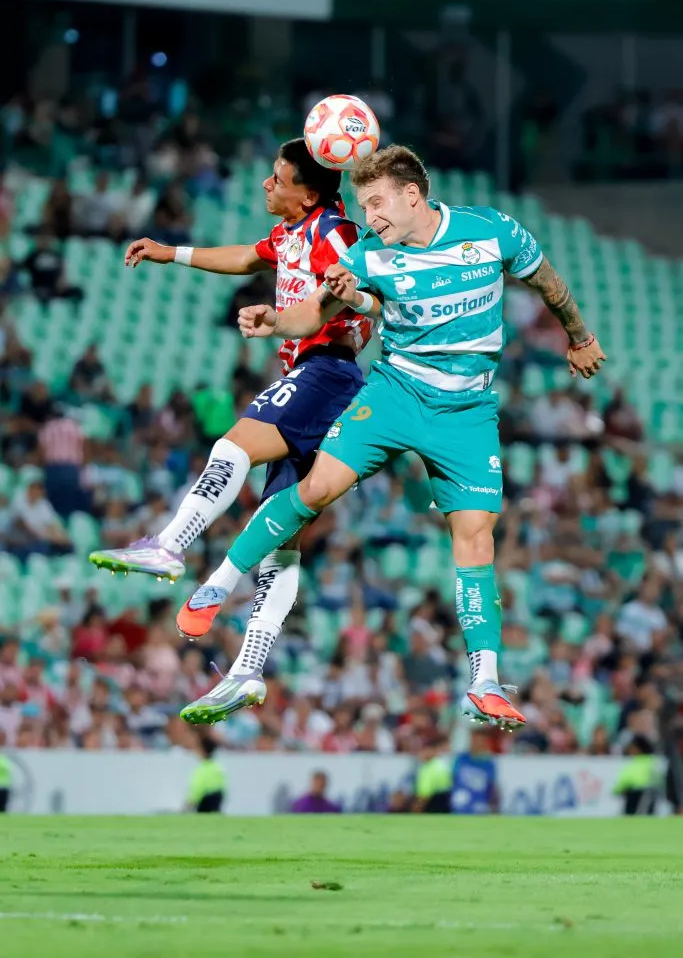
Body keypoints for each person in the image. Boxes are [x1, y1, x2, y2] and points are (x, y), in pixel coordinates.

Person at [179, 145, 606, 729]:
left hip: (467, 412)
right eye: (362, 204)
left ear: (412, 195)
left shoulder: (492, 231)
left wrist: (579, 337)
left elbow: (547, 281)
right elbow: (312, 313)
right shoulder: (365, 254)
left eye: (377, 202)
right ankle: (217, 585)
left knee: (476, 538)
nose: (369, 215)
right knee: (318, 487)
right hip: (395, 394)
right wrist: (275, 320)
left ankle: (484, 681)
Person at [89, 139, 370, 706]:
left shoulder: (335, 232)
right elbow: (245, 257)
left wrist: (296, 318)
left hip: (326, 372)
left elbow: (352, 289)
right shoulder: (293, 232)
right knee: (281, 539)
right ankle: (248, 669)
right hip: (321, 378)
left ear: (307, 194)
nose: (267, 184)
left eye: (278, 178)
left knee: (233, 445)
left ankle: (172, 544)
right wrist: (170, 253)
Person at [612, 735, 660, 816]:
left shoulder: (634, 764)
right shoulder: (654, 762)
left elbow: (622, 785)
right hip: (651, 802)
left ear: (638, 749)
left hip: (634, 801)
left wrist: (617, 790)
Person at [186, 736, 227, 813]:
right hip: (216, 804)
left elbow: (197, 788)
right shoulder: (217, 767)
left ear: (203, 751)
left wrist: (190, 802)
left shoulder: (202, 769)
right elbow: (222, 788)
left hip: (205, 803)